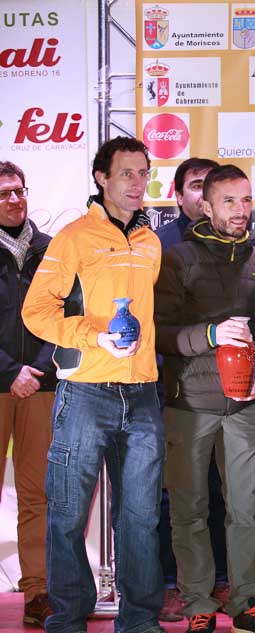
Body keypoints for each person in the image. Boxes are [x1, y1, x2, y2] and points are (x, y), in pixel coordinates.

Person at [21, 136, 165, 633]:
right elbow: (36, 311)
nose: (137, 183)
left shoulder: (151, 242)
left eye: (143, 173)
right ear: (101, 178)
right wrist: (94, 335)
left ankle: (140, 621)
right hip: (84, 392)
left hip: (142, 394)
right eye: (127, 173)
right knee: (67, 514)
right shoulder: (73, 237)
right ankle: (68, 619)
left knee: (141, 518)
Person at [155, 164, 255, 633]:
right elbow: (158, 332)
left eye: (246, 200)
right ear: (205, 206)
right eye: (228, 201)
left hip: (245, 406)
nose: (240, 210)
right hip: (188, 404)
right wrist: (210, 334)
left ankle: (248, 602)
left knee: (246, 509)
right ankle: (198, 604)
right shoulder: (177, 259)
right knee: (189, 510)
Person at [153, 156, 228, 623]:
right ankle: (170, 583)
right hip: (171, 387)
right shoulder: (159, 245)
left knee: (220, 490)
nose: (203, 194)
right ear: (178, 195)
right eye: (196, 185)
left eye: (210, 186)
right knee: (174, 493)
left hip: (225, 389)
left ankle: (220, 578)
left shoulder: (241, 246)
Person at [0, 161, 56, 626]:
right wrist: (9, 370)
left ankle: (38, 590)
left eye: (19, 190)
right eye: (4, 194)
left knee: (38, 493)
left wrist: (36, 369)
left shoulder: (51, 250)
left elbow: (68, 315)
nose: (15, 199)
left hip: (40, 384)